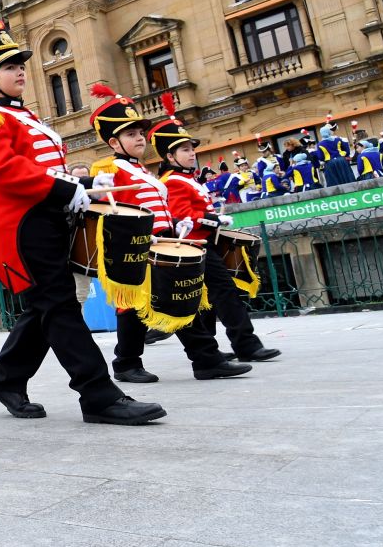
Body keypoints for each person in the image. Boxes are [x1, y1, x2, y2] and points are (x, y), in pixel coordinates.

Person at [0, 0, 165, 425]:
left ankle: (6, 380)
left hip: (45, 217)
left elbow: (41, 169)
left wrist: (80, 183)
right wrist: (66, 190)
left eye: (20, 64)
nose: (20, 71)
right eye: (9, 66)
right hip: (21, 227)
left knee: (46, 306)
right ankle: (98, 395)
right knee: (59, 305)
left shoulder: (22, 115)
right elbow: (4, 172)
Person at [87, 85, 249, 384]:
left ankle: (196, 360)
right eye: (131, 134)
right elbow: (107, 210)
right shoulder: (109, 169)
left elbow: (156, 207)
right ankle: (137, 363)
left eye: (140, 133)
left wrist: (177, 224)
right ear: (114, 142)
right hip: (135, 247)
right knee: (146, 305)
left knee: (176, 301)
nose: (140, 138)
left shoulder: (142, 171)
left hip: (163, 242)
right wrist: (136, 236)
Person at [150, 103, 282, 364]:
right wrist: (213, 220)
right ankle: (246, 344)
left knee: (208, 297)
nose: (192, 153)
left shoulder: (187, 178)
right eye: (185, 150)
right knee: (224, 291)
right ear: (170, 156)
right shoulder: (172, 181)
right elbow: (182, 217)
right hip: (193, 244)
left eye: (192, 148)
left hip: (203, 242)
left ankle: (214, 349)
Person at [66, 163, 94, 307]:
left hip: (87, 256)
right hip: (69, 256)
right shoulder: (64, 202)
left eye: (85, 178)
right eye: (78, 179)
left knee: (81, 296)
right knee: (77, 297)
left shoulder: (97, 202)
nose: (83, 182)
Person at [314, 123, 356, 187]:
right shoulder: (338, 140)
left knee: (334, 182)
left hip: (330, 163)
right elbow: (346, 151)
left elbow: (321, 157)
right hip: (342, 161)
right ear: (329, 132)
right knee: (347, 178)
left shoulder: (320, 144)